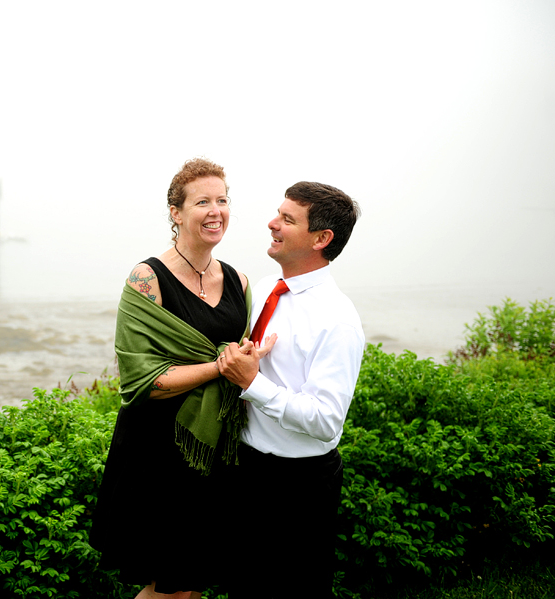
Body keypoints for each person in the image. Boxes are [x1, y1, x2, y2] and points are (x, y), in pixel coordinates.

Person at [90, 158, 270, 599]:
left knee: (190, 583)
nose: (216, 211)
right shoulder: (147, 278)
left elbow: (242, 354)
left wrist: (248, 358)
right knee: (167, 586)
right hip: (157, 449)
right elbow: (141, 380)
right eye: (202, 201)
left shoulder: (238, 280)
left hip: (212, 447)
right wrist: (221, 366)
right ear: (176, 212)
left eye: (223, 200)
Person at [218, 181, 365, 599]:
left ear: (321, 239)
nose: (272, 223)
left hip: (299, 487)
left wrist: (252, 383)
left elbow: (325, 421)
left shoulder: (337, 320)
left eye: (287, 219)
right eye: (277, 213)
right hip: (245, 468)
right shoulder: (265, 289)